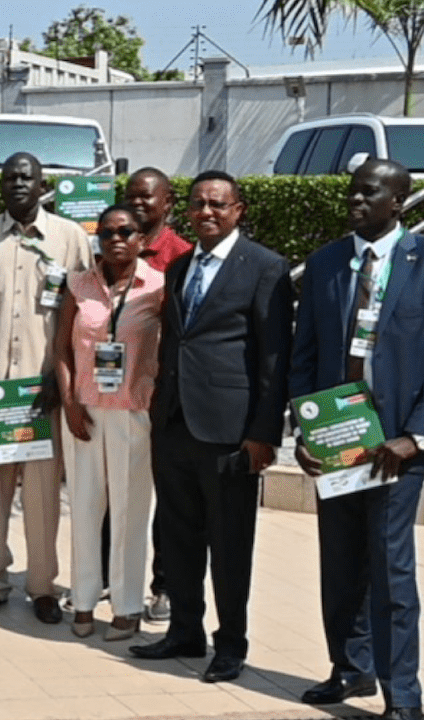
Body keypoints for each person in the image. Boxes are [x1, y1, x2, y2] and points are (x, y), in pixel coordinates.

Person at [291, 159, 424, 720]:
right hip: (337, 443)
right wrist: (304, 430)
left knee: (392, 570)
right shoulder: (325, 263)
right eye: (352, 190)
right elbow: (305, 358)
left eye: (368, 193)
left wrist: (416, 436)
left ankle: (402, 696)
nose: (355, 200)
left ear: (398, 201)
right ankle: (349, 669)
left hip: (396, 449)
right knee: (340, 563)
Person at [130, 170, 291, 686]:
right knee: (176, 536)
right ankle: (184, 630)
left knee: (229, 543)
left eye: (218, 204)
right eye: (199, 203)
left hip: (230, 431)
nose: (206, 212)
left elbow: (273, 357)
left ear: (238, 210)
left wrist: (264, 433)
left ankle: (231, 643)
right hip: (175, 423)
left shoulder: (265, 268)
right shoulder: (178, 268)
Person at [0, 152, 89, 624]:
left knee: (44, 495)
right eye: (9, 178)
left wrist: (63, 376)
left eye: (26, 177)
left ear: (43, 182)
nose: (17, 184)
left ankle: (43, 586)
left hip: (41, 393)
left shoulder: (70, 239)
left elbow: (84, 318)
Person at [49, 205, 164, 640]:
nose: (116, 239)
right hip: (84, 412)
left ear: (141, 238)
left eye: (126, 232)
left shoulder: (156, 287)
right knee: (84, 508)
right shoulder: (79, 283)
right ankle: (82, 600)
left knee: (130, 513)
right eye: (108, 232)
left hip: (133, 412)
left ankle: (127, 605)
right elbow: (61, 348)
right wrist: (70, 401)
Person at [120, 165, 190, 623]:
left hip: (165, 398)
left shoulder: (183, 257)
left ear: (168, 202)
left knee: (168, 499)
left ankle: (163, 586)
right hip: (116, 395)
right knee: (116, 493)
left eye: (149, 196)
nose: (140, 203)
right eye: (132, 195)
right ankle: (111, 579)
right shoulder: (110, 247)